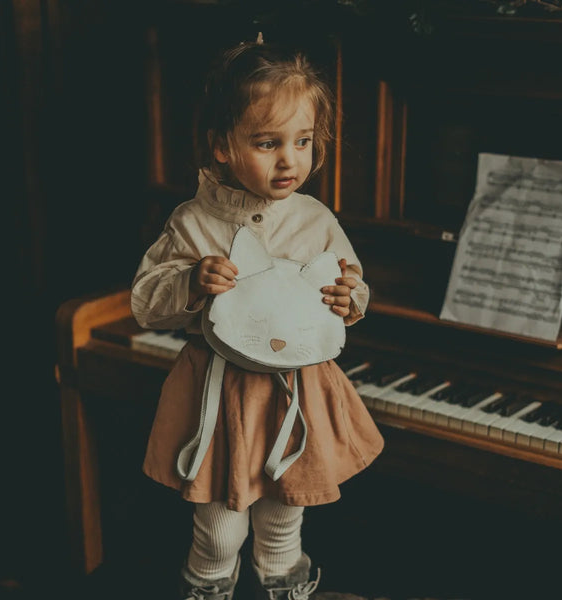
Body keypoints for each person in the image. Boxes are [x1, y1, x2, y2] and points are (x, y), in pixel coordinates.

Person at [131, 35, 384, 600]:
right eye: (268, 143)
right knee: (222, 525)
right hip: (219, 393)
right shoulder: (193, 220)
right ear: (223, 146)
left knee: (282, 517)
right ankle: (210, 587)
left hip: (295, 389)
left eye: (303, 141)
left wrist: (352, 297)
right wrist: (191, 282)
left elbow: (351, 284)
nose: (290, 159)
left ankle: (284, 585)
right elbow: (146, 301)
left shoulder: (316, 218)